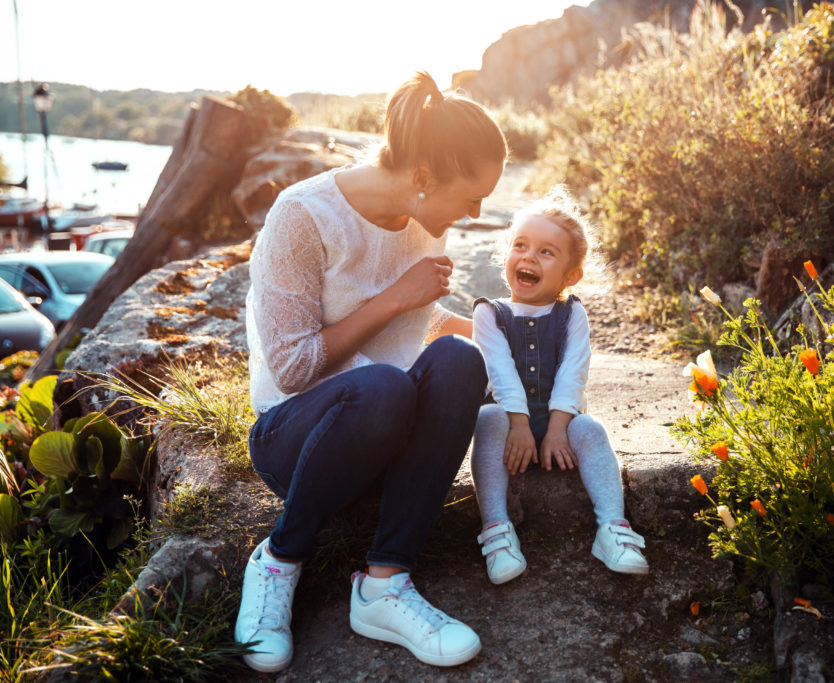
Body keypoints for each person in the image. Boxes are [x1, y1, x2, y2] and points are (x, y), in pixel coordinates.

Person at [235, 71, 507, 672]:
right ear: (421, 178)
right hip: (298, 439)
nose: (477, 211)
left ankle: (384, 584)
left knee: (463, 359)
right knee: (383, 387)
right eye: (471, 195)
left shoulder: (422, 224)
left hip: (388, 438)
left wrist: (503, 330)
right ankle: (279, 558)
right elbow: (292, 366)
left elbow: (421, 325)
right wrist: (390, 299)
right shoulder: (302, 216)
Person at [469, 187, 649, 586]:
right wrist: (518, 424)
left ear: (571, 275)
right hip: (507, 424)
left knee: (592, 429)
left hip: (559, 427)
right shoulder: (489, 314)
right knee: (488, 419)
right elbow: (498, 370)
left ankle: (612, 530)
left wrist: (556, 429)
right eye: (520, 245)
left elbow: (573, 372)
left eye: (546, 252)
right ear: (506, 257)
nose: (529, 256)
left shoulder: (571, 314)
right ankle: (497, 531)